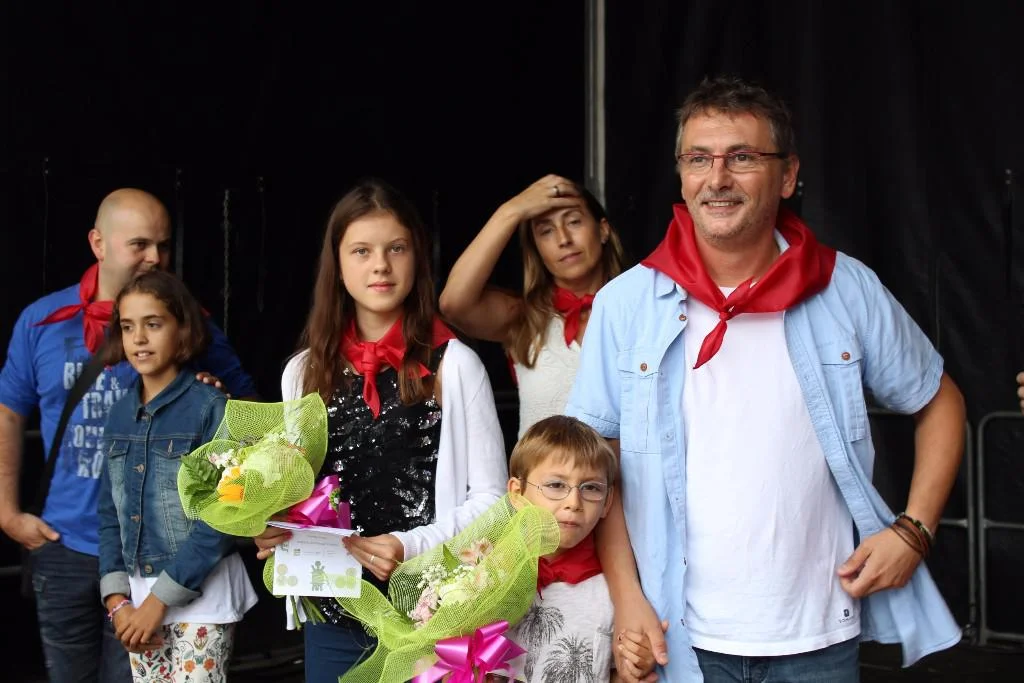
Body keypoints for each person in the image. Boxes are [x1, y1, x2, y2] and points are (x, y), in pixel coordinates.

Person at [566, 76, 967, 682]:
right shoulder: (626, 303)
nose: (717, 178)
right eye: (698, 159)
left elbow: (940, 401)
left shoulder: (844, 286)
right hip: (677, 636)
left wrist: (913, 531)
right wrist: (627, 601)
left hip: (818, 636)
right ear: (681, 175)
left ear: (787, 175)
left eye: (743, 157)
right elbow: (597, 465)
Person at [254, 179, 508, 683]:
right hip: (334, 613)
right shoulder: (302, 372)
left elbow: (493, 500)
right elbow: (296, 493)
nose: (380, 266)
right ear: (336, 263)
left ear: (417, 257)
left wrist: (410, 545)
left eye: (396, 248)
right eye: (362, 251)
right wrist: (271, 527)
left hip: (431, 614)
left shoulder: (455, 365)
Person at [0, 188, 257, 683]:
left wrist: (216, 393)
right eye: (140, 244)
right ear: (98, 243)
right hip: (66, 542)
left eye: (163, 244)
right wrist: (7, 512)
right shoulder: (42, 321)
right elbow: (9, 413)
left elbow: (252, 416)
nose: (155, 257)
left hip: (167, 560)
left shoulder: (191, 321)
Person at [98, 271, 258, 681]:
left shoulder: (211, 407)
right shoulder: (118, 415)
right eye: (128, 327)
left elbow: (224, 516)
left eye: (153, 324)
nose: (139, 338)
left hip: (201, 598)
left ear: (183, 329)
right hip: (136, 603)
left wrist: (160, 599)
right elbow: (109, 515)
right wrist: (117, 600)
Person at [439, 176, 626, 438]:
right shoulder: (524, 317)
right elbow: (453, 304)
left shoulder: (641, 309)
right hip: (536, 467)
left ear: (603, 230)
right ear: (536, 249)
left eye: (574, 222)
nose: (563, 239)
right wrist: (511, 211)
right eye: (546, 231)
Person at [491, 415, 657, 683]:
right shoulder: (488, 580)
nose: (574, 502)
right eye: (556, 485)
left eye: (590, 488)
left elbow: (611, 672)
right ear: (517, 494)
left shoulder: (613, 594)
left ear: (607, 502)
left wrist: (636, 666)